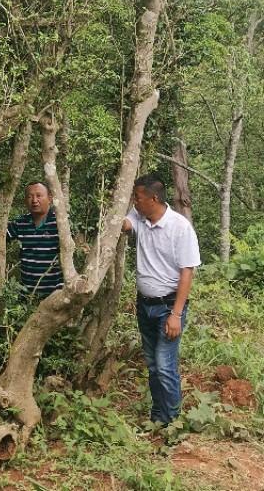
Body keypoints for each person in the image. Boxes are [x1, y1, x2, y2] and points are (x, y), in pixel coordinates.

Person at [122, 173, 201, 425]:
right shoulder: (140, 218)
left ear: (153, 198)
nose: (135, 203)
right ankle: (158, 417)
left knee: (164, 365)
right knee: (153, 366)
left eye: (138, 198)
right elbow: (123, 223)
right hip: (144, 305)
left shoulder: (179, 227)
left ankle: (173, 421)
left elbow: (187, 271)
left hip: (168, 307)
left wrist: (176, 314)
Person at [7, 181, 63, 298]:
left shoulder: (60, 223)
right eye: (29, 196)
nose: (34, 200)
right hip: (27, 296)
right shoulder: (20, 223)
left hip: (55, 296)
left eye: (39, 195)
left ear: (50, 198)